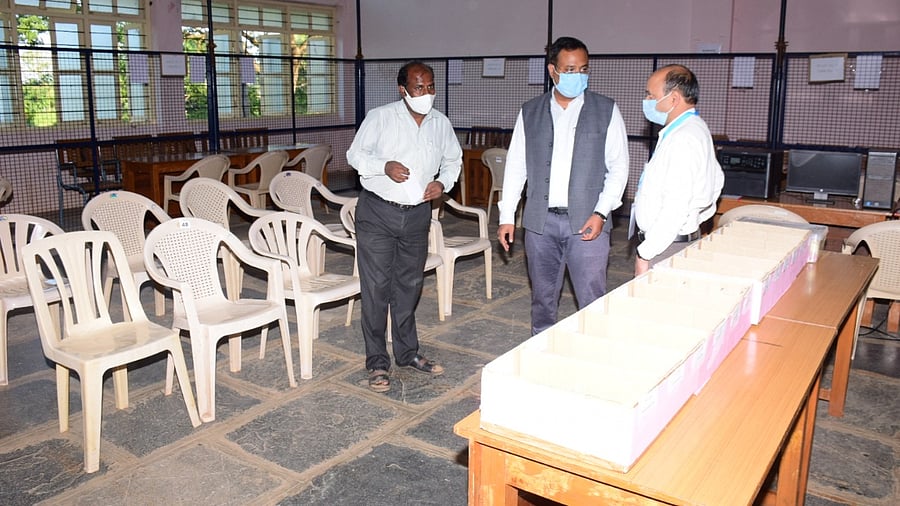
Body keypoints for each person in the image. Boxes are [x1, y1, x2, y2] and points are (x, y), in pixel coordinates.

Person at [496, 36, 630, 336]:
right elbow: (516, 167)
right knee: (542, 300)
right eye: (570, 70)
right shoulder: (530, 112)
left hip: (587, 223)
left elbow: (619, 168)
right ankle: (542, 353)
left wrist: (601, 213)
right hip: (540, 223)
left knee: (592, 299)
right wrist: (507, 216)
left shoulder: (606, 109)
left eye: (583, 69)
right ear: (552, 71)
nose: (577, 76)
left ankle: (591, 359)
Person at [346, 61, 462, 393]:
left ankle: (408, 353)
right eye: (418, 87)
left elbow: (454, 160)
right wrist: (383, 166)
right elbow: (355, 155)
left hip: (417, 216)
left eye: (430, 87)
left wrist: (443, 183)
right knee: (376, 289)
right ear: (403, 90)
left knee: (409, 287)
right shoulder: (381, 117)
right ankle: (377, 363)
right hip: (378, 214)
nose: (425, 93)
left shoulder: (441, 123)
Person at [633, 64, 724, 275]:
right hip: (673, 239)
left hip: (665, 247)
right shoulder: (693, 129)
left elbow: (675, 206)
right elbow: (717, 180)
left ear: (673, 99)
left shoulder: (683, 139)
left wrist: (645, 253)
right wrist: (695, 219)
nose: (646, 100)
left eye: (650, 95)